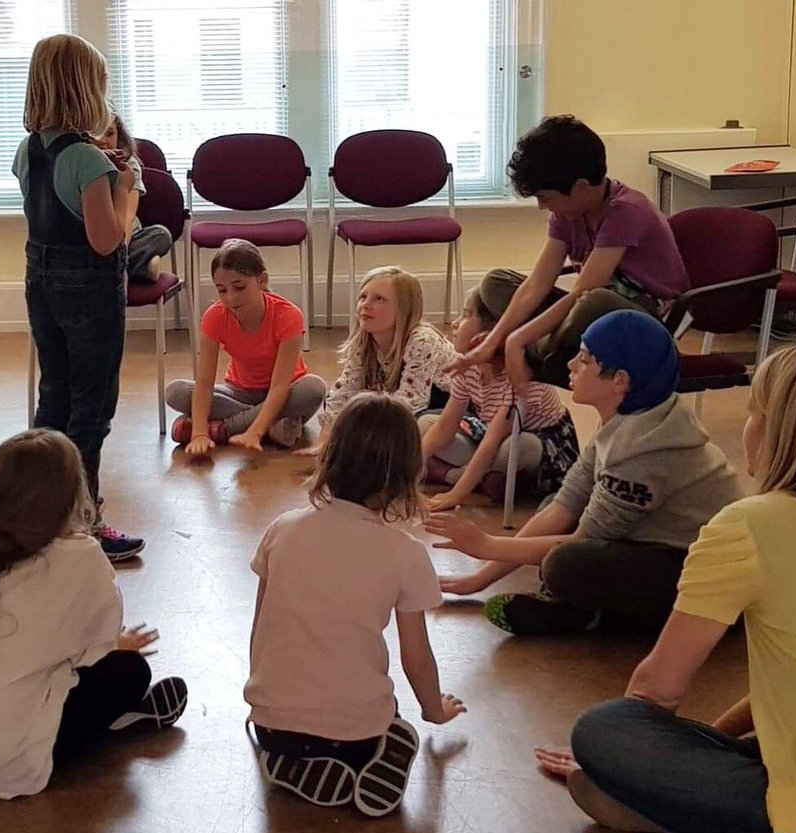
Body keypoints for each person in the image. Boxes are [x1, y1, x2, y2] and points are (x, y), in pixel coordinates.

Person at [535, 345, 796, 833]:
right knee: (784, 745)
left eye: (754, 413)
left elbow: (658, 690)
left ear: (775, 431)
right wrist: (711, 747)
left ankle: (676, 813)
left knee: (606, 729)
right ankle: (694, 798)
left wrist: (636, 766)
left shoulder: (751, 525)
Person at [0, 429, 187, 799]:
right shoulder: (85, 556)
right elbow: (94, 651)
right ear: (73, 496)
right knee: (129, 671)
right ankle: (114, 727)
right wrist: (118, 643)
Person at [430, 310, 740, 635]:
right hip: (656, 543)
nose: (571, 366)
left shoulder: (644, 449)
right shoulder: (628, 418)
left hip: (698, 570)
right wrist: (478, 579)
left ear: (619, 380)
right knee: (553, 509)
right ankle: (581, 607)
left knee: (566, 564)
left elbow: (584, 541)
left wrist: (487, 545)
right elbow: (565, 504)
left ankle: (595, 617)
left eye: (585, 359)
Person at [246, 393, 466, 816]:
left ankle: (288, 765)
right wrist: (434, 709)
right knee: (394, 724)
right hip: (356, 734)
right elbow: (415, 656)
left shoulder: (282, 529)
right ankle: (377, 758)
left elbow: (261, 627)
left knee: (294, 732)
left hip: (272, 723)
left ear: (330, 456)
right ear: (408, 473)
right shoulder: (405, 553)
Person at [13, 34, 143, 562]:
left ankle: (37, 511)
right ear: (87, 89)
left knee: (55, 394)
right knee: (92, 405)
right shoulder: (89, 158)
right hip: (87, 284)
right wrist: (127, 190)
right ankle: (85, 522)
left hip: (39, 276)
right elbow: (108, 239)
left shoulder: (29, 148)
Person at [451, 115, 688, 391]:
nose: (542, 207)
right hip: (583, 310)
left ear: (581, 187)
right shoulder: (567, 212)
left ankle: (532, 349)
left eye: (546, 198)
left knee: (593, 301)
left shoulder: (626, 211)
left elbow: (582, 293)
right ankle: (538, 347)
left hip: (645, 318)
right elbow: (537, 285)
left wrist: (514, 338)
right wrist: (496, 341)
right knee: (494, 283)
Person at [420, 288, 579, 509]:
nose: (455, 323)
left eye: (466, 315)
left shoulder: (523, 378)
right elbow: (445, 426)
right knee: (425, 425)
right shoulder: (467, 367)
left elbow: (493, 441)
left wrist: (455, 496)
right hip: (487, 433)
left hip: (536, 444)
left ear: (491, 332)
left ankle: (478, 477)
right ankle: (469, 476)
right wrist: (407, 473)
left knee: (516, 448)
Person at [166, 239, 326, 454]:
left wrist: (255, 433)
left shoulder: (289, 315)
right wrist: (199, 434)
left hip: (287, 391)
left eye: (239, 287)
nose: (230, 298)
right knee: (176, 392)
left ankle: (224, 429)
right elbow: (203, 383)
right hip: (239, 392)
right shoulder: (214, 317)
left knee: (314, 388)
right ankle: (275, 425)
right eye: (221, 290)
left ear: (262, 280)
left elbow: (280, 386)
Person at [301, 267, 456, 457]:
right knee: (342, 406)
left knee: (417, 429)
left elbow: (411, 402)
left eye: (379, 299)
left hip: (440, 408)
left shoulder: (422, 341)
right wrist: (325, 440)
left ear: (403, 308)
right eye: (363, 297)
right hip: (396, 408)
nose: (366, 305)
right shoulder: (364, 340)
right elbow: (344, 389)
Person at [95, 113, 173, 283]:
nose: (102, 140)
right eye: (96, 133)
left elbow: (128, 217)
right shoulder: (83, 164)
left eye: (109, 134)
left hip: (127, 237)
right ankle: (141, 268)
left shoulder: (129, 165)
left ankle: (110, 269)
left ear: (119, 136)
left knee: (161, 234)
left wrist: (120, 257)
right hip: (95, 238)